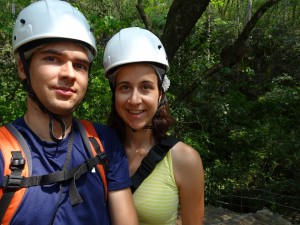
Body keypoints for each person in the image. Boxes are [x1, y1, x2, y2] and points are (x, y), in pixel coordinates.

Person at [0, 1, 138, 225]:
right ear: (23, 68)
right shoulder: (2, 153)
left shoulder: (103, 143)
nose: (69, 74)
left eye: (80, 65)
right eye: (52, 59)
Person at [103, 27, 205, 225]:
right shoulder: (97, 148)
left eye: (146, 87)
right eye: (124, 87)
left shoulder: (184, 160)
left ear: (160, 94)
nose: (134, 99)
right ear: (114, 94)